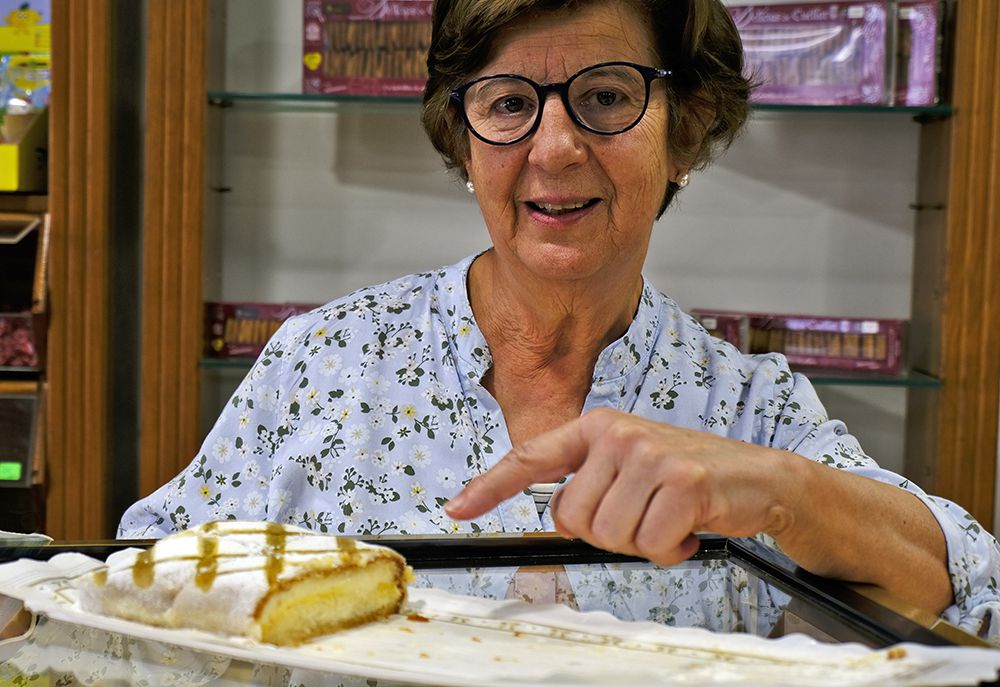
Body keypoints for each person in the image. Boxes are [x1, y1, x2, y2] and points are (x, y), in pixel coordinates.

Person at [120, 0, 1000, 643]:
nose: (553, 147)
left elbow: (971, 587)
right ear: (463, 140)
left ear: (684, 133)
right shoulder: (325, 360)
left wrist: (783, 489)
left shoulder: (749, 410)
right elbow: (138, 588)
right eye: (507, 103)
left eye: (607, 97)